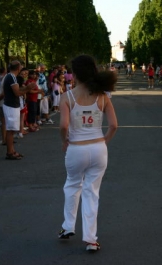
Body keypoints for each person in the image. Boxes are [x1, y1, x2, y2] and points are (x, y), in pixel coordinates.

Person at [58, 55, 118, 252]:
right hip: (98, 147)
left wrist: (64, 140)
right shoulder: (103, 96)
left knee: (72, 185)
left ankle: (68, 227)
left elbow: (64, 125)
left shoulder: (68, 97)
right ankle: (91, 239)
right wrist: (105, 140)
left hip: (76, 147)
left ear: (74, 75)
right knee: (92, 192)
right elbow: (114, 125)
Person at [2, 60, 35, 160]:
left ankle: (12, 150)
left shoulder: (11, 77)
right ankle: (9, 152)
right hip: (11, 105)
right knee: (11, 130)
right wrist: (28, 88)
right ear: (18, 68)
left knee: (12, 130)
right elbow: (17, 92)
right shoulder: (11, 77)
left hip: (12, 105)